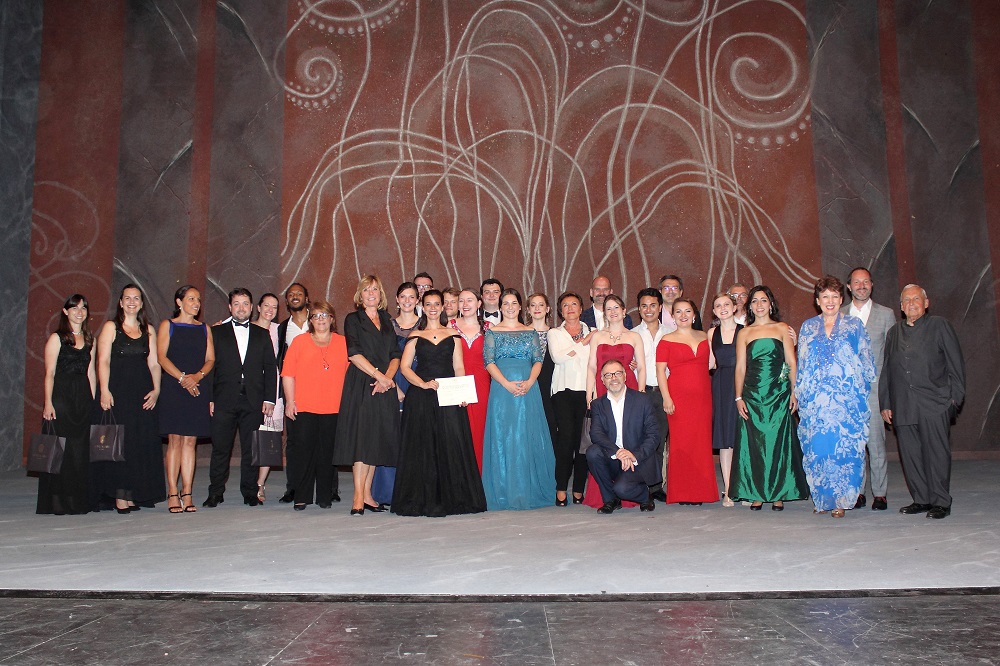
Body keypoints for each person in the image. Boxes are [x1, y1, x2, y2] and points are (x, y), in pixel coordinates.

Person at [392, 290, 487, 516]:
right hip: (421, 398)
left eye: (437, 304)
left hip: (449, 396)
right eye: (428, 304)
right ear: (422, 307)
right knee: (422, 447)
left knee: (451, 444)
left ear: (443, 307)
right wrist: (423, 384)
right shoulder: (415, 335)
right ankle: (421, 499)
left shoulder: (453, 335)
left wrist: (462, 391)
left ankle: (454, 499)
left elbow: (459, 367)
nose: (433, 307)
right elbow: (404, 367)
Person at [880, 284, 966, 519]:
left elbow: (956, 365)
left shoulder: (940, 326)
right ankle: (921, 499)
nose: (911, 304)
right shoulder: (894, 333)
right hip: (903, 404)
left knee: (937, 453)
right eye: (906, 300)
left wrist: (953, 400)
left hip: (935, 403)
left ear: (926, 303)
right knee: (911, 455)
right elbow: (887, 370)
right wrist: (886, 403)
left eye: (916, 299)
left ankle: (941, 501)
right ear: (901, 307)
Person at [796, 276, 876, 518]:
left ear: (841, 299)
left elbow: (866, 360)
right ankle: (823, 500)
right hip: (816, 403)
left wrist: (859, 390)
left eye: (834, 297)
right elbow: (802, 363)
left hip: (846, 402)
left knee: (845, 451)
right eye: (824, 297)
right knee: (819, 450)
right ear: (817, 300)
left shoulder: (854, 325)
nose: (829, 301)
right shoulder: (808, 326)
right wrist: (800, 394)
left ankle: (841, 500)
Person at [729, 285, 809, 511]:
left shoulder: (782, 328)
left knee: (778, 443)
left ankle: (778, 493)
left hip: (779, 393)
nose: (759, 305)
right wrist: (738, 397)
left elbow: (791, 362)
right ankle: (757, 492)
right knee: (755, 444)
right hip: (753, 395)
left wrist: (794, 391)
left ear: (770, 303)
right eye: (754, 301)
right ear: (750, 306)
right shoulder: (744, 332)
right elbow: (740, 368)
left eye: (763, 300)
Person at [481, 288, 556, 509]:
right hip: (501, 391)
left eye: (514, 303)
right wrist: (506, 384)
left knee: (526, 436)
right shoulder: (492, 332)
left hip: (528, 389)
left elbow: (538, 360)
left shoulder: (530, 331)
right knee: (503, 438)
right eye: (506, 303)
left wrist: (531, 381)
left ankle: (528, 490)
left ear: (520, 306)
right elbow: (489, 362)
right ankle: (504, 492)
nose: (510, 307)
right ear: (501, 307)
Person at [203, 288, 277, 508]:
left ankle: (250, 492)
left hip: (253, 399)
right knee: (220, 448)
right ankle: (215, 492)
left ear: (252, 307)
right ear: (229, 307)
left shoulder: (262, 334)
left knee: (251, 448)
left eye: (245, 303)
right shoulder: (216, 333)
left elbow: (270, 368)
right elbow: (210, 367)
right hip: (224, 398)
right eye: (237, 303)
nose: (241, 308)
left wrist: (270, 399)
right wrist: (210, 398)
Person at [94, 284, 164, 513]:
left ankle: (133, 492)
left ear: (142, 304)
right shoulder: (111, 327)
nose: (132, 302)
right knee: (119, 444)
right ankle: (119, 495)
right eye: (127, 298)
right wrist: (104, 389)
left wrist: (156, 390)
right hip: (118, 393)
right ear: (121, 302)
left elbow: (154, 363)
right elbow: (102, 360)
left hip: (142, 394)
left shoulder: (149, 330)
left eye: (136, 298)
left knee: (138, 443)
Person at [335, 275, 401, 516]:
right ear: (359, 295)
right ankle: (358, 496)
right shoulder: (353, 319)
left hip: (384, 384)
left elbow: (395, 353)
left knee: (375, 439)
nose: (371, 293)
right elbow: (353, 353)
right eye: (366, 290)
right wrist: (379, 376)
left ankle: (369, 495)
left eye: (375, 289)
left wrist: (388, 378)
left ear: (380, 293)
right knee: (362, 440)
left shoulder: (386, 319)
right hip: (362, 383)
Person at [282, 300, 349, 510]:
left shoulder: (343, 343)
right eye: (316, 316)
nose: (321, 320)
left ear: (332, 319)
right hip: (304, 406)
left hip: (334, 407)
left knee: (327, 453)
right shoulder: (299, 342)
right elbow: (288, 375)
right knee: (304, 452)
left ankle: (324, 496)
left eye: (325, 315)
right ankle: (301, 496)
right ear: (310, 320)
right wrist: (290, 401)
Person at [841, 267, 896, 510]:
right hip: (847, 391)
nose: (861, 286)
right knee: (853, 444)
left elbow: (892, 357)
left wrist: (888, 397)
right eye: (856, 282)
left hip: (874, 390)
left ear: (871, 285)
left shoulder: (886, 315)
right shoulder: (839, 315)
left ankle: (880, 493)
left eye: (866, 282)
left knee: (875, 443)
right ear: (849, 287)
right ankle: (858, 492)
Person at [655, 298, 719, 505]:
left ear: (694, 314)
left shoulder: (705, 336)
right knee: (681, 445)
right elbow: (660, 371)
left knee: (700, 444)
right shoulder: (666, 340)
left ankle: (701, 492)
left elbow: (714, 363)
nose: (683, 315)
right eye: (679, 312)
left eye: (687, 311)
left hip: (702, 397)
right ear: (672, 316)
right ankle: (683, 493)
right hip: (678, 397)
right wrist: (666, 397)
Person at [38, 294, 97, 515]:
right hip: (61, 398)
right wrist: (48, 404)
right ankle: (58, 502)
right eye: (74, 308)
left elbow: (91, 372)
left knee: (79, 451)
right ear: (66, 311)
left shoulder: (90, 339)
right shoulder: (57, 338)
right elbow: (50, 373)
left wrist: (93, 400)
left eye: (83, 308)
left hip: (82, 398)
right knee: (62, 451)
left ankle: (77, 500)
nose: (79, 312)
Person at [157, 285, 214, 513]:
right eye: (191, 299)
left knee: (190, 441)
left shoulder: (204, 329)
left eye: (198, 299)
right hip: (174, 386)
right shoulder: (167, 325)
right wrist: (183, 379)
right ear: (179, 302)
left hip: (197, 387)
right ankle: (172, 492)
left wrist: (196, 376)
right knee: (175, 441)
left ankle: (187, 492)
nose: (196, 303)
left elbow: (210, 359)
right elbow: (161, 357)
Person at [586, 359, 660, 513]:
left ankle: (646, 496)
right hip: (614, 458)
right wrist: (618, 452)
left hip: (639, 459)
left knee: (622, 489)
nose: (614, 378)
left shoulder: (643, 400)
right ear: (602, 381)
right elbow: (596, 434)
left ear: (625, 376)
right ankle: (610, 500)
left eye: (618, 373)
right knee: (593, 452)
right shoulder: (598, 404)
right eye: (608, 375)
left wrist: (633, 455)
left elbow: (653, 435)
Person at [370, 281, 419, 506]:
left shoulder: (425, 325)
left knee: (414, 438)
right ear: (397, 300)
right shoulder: (386, 325)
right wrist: (393, 385)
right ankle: (387, 492)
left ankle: (412, 490)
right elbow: (379, 357)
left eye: (412, 297)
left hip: (419, 384)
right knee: (389, 437)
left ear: (417, 300)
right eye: (403, 297)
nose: (407, 301)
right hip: (390, 383)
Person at [547, 292, 594, 505]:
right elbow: (557, 357)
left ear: (581, 307)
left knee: (583, 443)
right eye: (565, 305)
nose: (570, 308)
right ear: (560, 310)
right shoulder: (554, 333)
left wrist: (575, 348)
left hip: (586, 392)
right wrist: (582, 344)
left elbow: (593, 361)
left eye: (574, 304)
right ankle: (560, 488)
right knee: (565, 441)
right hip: (563, 392)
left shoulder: (593, 331)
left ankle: (578, 489)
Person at [632, 287, 670, 502]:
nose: (649, 309)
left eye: (653, 305)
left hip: (663, 394)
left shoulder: (670, 333)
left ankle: (656, 486)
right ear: (639, 308)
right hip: (640, 393)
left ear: (660, 307)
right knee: (640, 441)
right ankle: (640, 485)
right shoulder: (633, 334)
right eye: (644, 305)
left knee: (658, 441)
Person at [706, 292, 742, 506]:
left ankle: (744, 487)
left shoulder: (745, 331)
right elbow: (710, 363)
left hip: (740, 385)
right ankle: (728, 489)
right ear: (714, 311)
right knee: (724, 440)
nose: (723, 308)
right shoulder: (712, 333)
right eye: (718, 305)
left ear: (735, 307)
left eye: (727, 304)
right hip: (720, 385)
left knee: (741, 438)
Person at [276, 282, 310, 504]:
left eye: (299, 293)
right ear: (287, 301)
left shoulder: (319, 321)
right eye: (291, 295)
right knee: (295, 441)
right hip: (294, 392)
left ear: (307, 298)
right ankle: (293, 488)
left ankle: (330, 487)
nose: (295, 297)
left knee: (325, 438)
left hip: (321, 390)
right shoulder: (281, 328)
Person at [453, 288, 490, 472]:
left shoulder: (489, 328)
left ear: (479, 303)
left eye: (470, 300)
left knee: (479, 431)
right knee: (457, 432)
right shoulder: (449, 326)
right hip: (455, 384)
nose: (465, 304)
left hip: (482, 385)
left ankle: (480, 478)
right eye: (461, 300)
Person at [586, 295, 645, 403]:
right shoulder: (597, 336)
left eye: (616, 307)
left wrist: (641, 393)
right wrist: (589, 394)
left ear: (624, 311)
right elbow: (591, 367)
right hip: (603, 385)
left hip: (629, 384)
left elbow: (641, 367)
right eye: (608, 309)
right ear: (605, 313)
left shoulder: (635, 336)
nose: (612, 311)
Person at [253, 293, 283, 504]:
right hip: (248, 389)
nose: (269, 310)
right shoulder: (245, 326)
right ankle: (249, 481)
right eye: (266, 305)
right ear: (258, 307)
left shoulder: (279, 331)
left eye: (274, 307)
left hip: (273, 391)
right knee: (250, 436)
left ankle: (260, 484)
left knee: (268, 438)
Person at [526, 292, 557, 445]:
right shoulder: (521, 333)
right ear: (528, 310)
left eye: (541, 305)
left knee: (549, 431)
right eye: (533, 305)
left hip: (549, 390)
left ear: (548, 309)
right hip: (527, 387)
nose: (537, 308)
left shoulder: (557, 334)